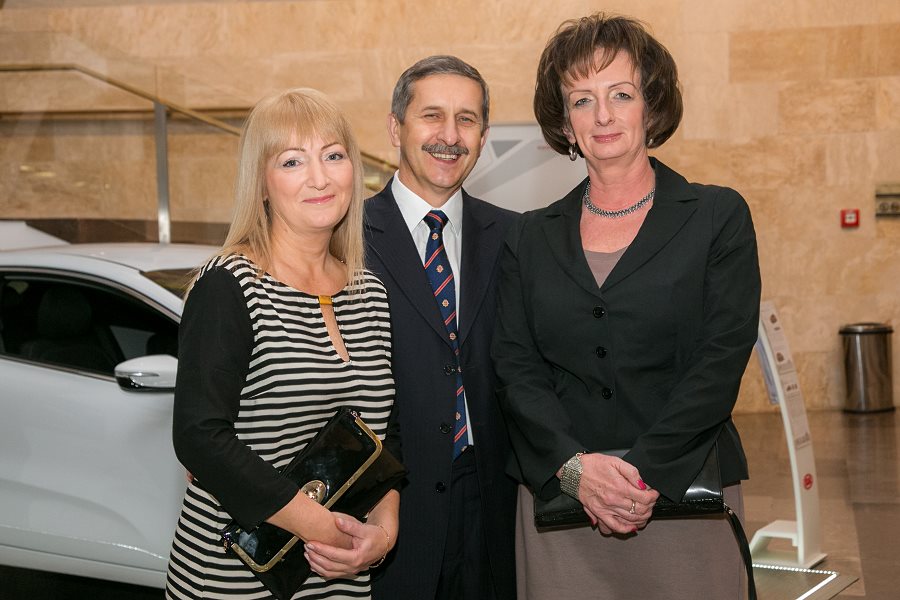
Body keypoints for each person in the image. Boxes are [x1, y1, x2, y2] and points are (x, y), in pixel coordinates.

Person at [491, 14, 761, 599]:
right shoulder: (529, 236)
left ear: (652, 107)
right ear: (564, 123)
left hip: (684, 492)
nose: (603, 115)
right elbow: (515, 367)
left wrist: (644, 474)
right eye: (582, 100)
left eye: (621, 94)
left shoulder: (717, 217)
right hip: (564, 507)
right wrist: (575, 470)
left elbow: (720, 360)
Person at [165, 88, 400, 599]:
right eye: (292, 161)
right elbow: (200, 437)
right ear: (262, 184)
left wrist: (382, 535)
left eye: (333, 155)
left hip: (340, 578)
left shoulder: (370, 292)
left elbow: (384, 435)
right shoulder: (229, 284)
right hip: (233, 579)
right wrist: (325, 528)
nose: (319, 178)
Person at [364, 56, 517, 600]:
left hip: (492, 503)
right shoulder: (345, 239)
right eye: (432, 116)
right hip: (384, 503)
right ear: (395, 128)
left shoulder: (515, 238)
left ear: (483, 136)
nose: (450, 136)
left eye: (466, 119)